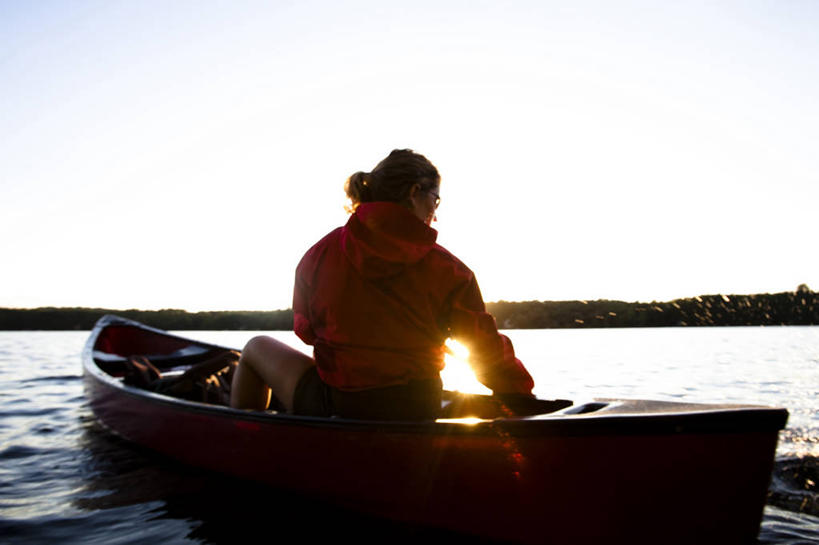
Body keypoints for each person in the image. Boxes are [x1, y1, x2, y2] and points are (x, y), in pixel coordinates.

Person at [230, 149, 534, 420]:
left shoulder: (319, 255)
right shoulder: (451, 270)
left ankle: (246, 447)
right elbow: (484, 351)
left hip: (338, 404)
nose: (435, 214)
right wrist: (519, 393)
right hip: (417, 407)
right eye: (435, 199)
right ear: (415, 192)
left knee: (256, 348)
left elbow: (306, 331)